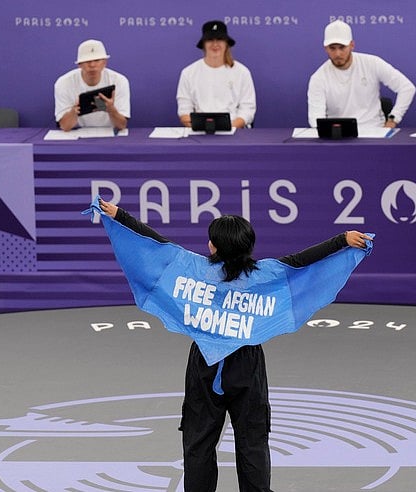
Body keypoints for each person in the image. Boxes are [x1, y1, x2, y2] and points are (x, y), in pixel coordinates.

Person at [90, 198, 372, 492]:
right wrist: (342, 240)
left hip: (204, 366)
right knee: (253, 442)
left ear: (214, 246)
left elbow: (153, 243)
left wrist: (119, 216)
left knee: (199, 443)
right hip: (247, 366)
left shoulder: (191, 269)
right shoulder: (266, 274)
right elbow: (303, 261)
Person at [307, 20, 416, 128]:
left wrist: (393, 119)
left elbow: (407, 88)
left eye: (342, 47)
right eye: (332, 48)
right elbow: (315, 118)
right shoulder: (318, 78)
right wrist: (328, 131)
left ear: (352, 45)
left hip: (375, 130)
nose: (337, 54)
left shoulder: (372, 63)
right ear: (326, 48)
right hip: (338, 134)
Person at [177, 20, 256, 129]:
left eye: (219, 39)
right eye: (210, 40)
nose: (215, 44)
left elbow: (247, 109)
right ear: (203, 44)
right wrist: (199, 125)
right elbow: (184, 109)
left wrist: (228, 127)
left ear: (226, 44)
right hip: (199, 132)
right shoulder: (188, 73)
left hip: (234, 131)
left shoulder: (242, 72)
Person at [55, 39, 130, 132]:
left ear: (104, 63)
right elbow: (65, 126)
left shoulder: (119, 81)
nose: (92, 65)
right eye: (87, 61)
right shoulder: (64, 83)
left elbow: (121, 125)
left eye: (97, 60)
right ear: (79, 64)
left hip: (109, 133)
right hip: (78, 133)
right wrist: (74, 111)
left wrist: (111, 109)